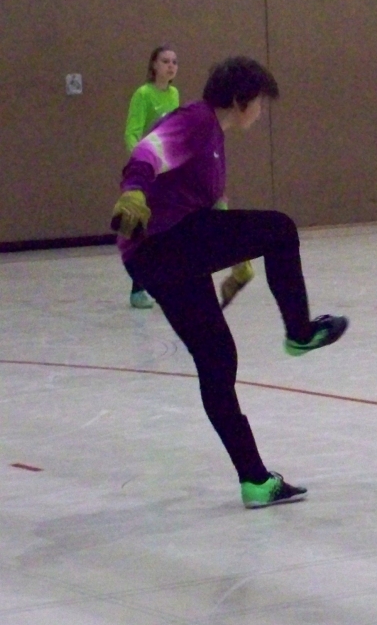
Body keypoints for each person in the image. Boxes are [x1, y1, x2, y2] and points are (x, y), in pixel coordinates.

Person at [110, 56, 349, 509]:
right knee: (280, 229)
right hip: (162, 244)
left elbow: (210, 206)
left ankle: (255, 481)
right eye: (259, 102)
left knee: (217, 358)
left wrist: (238, 260)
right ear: (241, 100)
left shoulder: (213, 138)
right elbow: (145, 153)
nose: (261, 110)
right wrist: (134, 191)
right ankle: (299, 333)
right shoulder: (196, 120)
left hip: (161, 258)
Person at [123, 45, 181, 309]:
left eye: (174, 62)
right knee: (145, 231)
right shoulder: (143, 94)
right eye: (165, 61)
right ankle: (138, 290)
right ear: (154, 65)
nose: (171, 66)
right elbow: (131, 132)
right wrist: (142, 163)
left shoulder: (174, 94)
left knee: (169, 228)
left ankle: (167, 283)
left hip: (168, 170)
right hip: (148, 170)